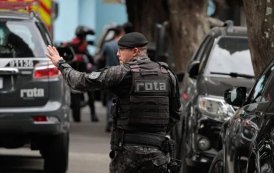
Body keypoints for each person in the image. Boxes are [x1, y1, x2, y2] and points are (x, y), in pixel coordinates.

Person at [45, 32, 181, 173]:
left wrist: (61, 64)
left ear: (135, 51)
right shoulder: (167, 74)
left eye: (121, 49)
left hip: (128, 156)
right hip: (159, 155)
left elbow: (80, 81)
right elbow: (176, 114)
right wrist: (155, 136)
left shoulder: (123, 73)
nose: (117, 54)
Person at [65, 26, 99, 122]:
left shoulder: (71, 44)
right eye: (85, 36)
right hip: (82, 74)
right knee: (91, 92)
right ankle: (93, 115)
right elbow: (92, 60)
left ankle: (93, 114)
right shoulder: (80, 45)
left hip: (75, 74)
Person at [101, 25, 125, 132]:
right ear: (122, 33)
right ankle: (119, 121)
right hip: (123, 75)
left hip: (109, 74)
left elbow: (101, 57)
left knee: (110, 99)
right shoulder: (125, 46)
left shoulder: (107, 45)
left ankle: (110, 118)